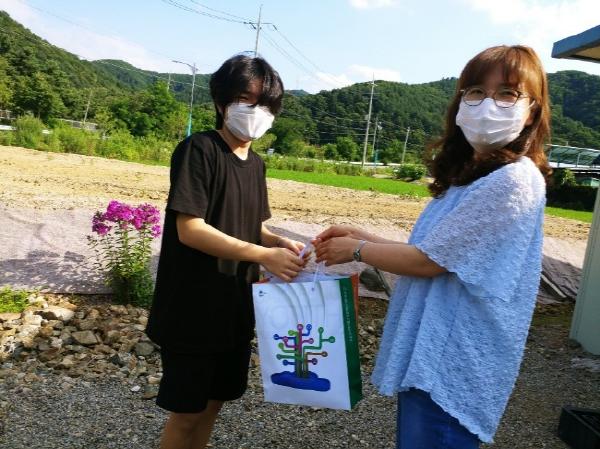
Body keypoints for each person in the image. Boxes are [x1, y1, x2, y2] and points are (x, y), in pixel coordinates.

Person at [313, 45, 551, 448]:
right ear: (460, 103)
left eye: (507, 93)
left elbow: (427, 262)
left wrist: (356, 249)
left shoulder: (512, 181)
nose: (487, 104)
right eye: (476, 92)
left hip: (452, 361)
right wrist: (361, 235)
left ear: (531, 111)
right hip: (436, 352)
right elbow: (435, 251)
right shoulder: (472, 177)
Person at [145, 54, 307, 449]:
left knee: (214, 404)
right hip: (193, 309)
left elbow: (253, 226)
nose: (257, 112)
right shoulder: (198, 150)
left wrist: (278, 243)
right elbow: (191, 229)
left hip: (234, 307)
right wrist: (262, 255)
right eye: (246, 100)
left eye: (266, 104)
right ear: (221, 102)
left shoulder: (257, 165)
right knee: (186, 413)